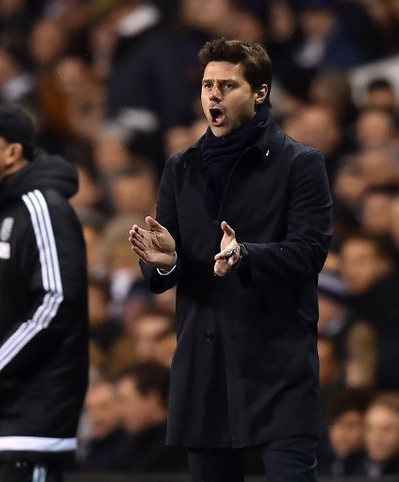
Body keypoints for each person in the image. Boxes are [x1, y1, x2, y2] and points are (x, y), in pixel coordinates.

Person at [128, 38, 332, 482]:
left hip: (277, 366)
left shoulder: (300, 164)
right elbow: (165, 269)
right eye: (207, 85)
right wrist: (164, 262)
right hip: (205, 369)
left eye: (227, 85)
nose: (213, 95)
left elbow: (310, 252)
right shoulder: (180, 167)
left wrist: (245, 256)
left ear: (259, 93)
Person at [0, 104, 88, 482]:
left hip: (34, 407)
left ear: (13, 152)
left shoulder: (41, 206)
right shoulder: (3, 211)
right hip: (10, 410)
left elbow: (57, 301)